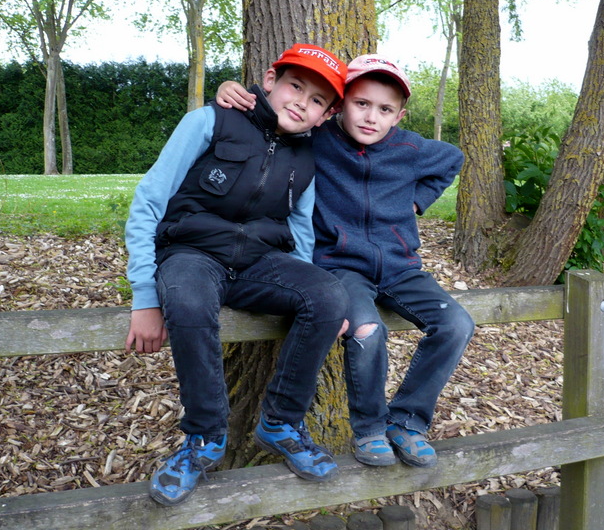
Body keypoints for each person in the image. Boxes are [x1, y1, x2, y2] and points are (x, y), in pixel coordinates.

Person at [217, 55, 475, 469]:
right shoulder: (317, 138)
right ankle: (370, 429)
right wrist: (234, 91)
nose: (372, 117)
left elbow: (453, 159)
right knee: (367, 332)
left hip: (400, 266)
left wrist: (416, 201)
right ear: (339, 105)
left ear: (398, 116)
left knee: (456, 324)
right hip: (340, 265)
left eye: (385, 109)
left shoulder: (410, 149)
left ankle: (406, 422)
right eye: (361, 104)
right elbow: (270, 118)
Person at [124, 44, 350, 507]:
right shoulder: (210, 121)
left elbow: (301, 232)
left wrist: (323, 304)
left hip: (259, 264)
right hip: (192, 253)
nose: (300, 103)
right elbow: (149, 200)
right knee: (188, 300)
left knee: (329, 295)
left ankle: (281, 423)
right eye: (294, 86)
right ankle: (205, 437)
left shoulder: (307, 158)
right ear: (269, 80)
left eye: (316, 101)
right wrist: (145, 296)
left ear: (326, 115)